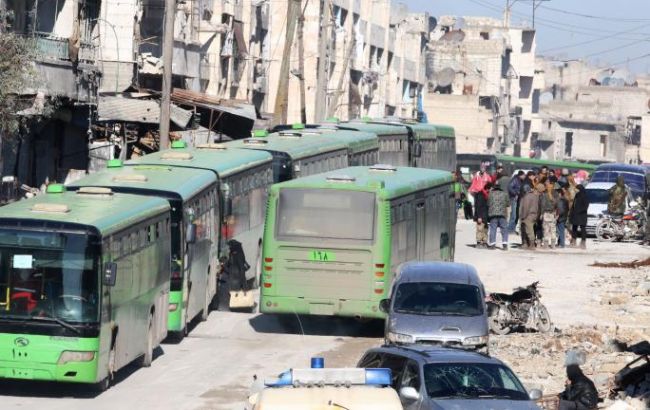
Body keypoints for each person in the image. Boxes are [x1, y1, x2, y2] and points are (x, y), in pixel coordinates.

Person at [487, 182, 510, 250]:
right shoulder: (505, 194)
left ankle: (493, 244)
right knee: (504, 229)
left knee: (493, 229)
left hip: (493, 214)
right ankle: (505, 244)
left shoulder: (490, 194)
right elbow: (508, 204)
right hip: (502, 214)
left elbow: (488, 203)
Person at [519, 184, 539, 250]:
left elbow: (526, 208)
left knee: (528, 230)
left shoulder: (526, 197)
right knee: (531, 229)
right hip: (535, 215)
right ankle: (530, 243)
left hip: (528, 215)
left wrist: (523, 216)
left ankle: (531, 244)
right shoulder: (535, 196)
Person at [539, 181, 559, 248]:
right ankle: (553, 245)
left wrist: (541, 214)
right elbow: (557, 204)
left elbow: (542, 205)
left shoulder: (544, 195)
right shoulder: (556, 194)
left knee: (546, 229)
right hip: (553, 213)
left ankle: (546, 245)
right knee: (553, 229)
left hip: (546, 213)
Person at [570, 185, 589, 249]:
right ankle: (573, 241)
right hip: (575, 215)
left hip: (582, 215)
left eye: (577, 189)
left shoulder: (585, 196)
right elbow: (574, 204)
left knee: (582, 228)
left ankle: (583, 242)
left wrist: (579, 211)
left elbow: (585, 206)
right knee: (574, 228)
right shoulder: (577, 195)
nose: (575, 190)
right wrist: (572, 211)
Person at [473, 183, 490, 249]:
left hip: (486, 215)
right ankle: (479, 242)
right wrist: (479, 216)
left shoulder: (486, 195)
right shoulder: (480, 195)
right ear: (488, 188)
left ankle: (484, 242)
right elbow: (478, 206)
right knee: (480, 229)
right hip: (480, 215)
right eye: (490, 189)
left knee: (485, 229)